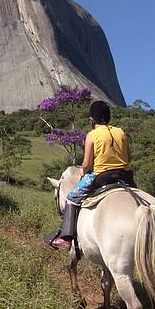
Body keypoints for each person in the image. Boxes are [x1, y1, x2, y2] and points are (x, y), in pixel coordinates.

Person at [44, 100, 136, 250]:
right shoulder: (121, 132)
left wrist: (82, 172)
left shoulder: (92, 135)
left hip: (101, 175)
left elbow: (86, 164)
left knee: (72, 197)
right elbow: (129, 158)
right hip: (125, 176)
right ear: (109, 117)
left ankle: (65, 238)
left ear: (91, 120)